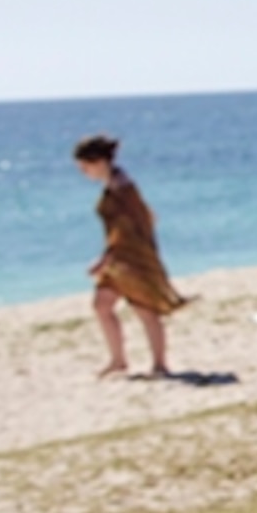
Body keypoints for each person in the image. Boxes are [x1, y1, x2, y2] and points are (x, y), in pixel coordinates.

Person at [74, 134, 189, 377]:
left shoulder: (122, 188)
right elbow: (148, 215)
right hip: (119, 257)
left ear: (99, 162)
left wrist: (105, 259)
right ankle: (118, 360)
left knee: (145, 310)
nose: (83, 172)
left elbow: (127, 227)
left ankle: (159, 364)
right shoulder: (116, 184)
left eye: (85, 166)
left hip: (131, 257)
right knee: (102, 305)